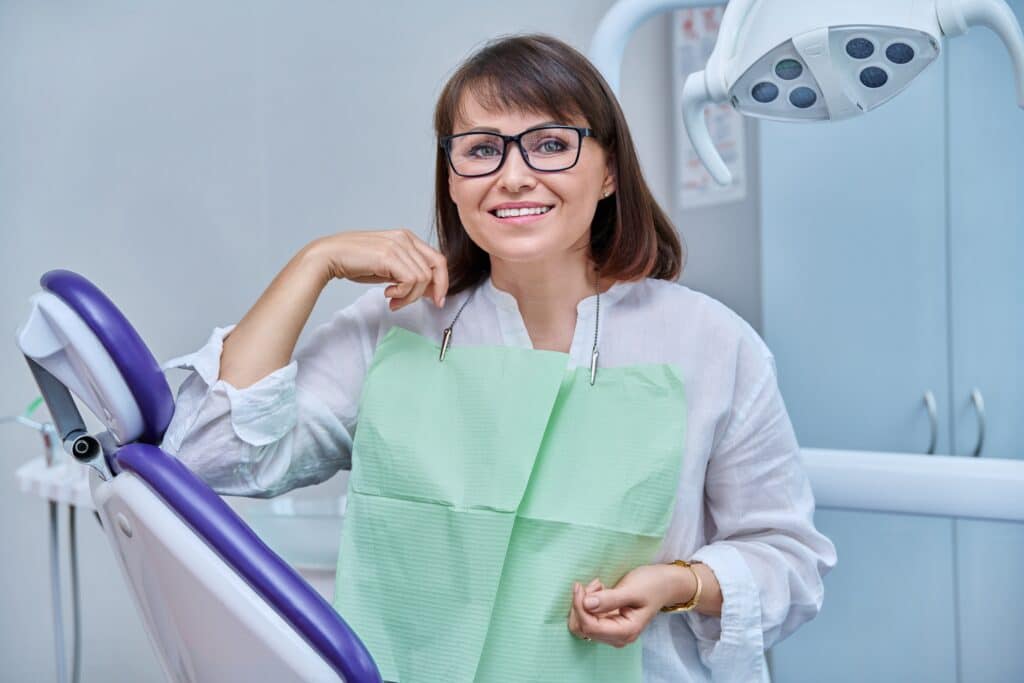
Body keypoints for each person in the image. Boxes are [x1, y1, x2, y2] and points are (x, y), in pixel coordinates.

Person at [161, 33, 836, 683]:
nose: (513, 176)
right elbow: (210, 453)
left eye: (550, 145)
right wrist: (313, 264)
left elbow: (789, 561)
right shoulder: (396, 327)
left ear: (608, 172)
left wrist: (681, 583)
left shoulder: (712, 344)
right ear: (452, 180)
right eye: (482, 149)